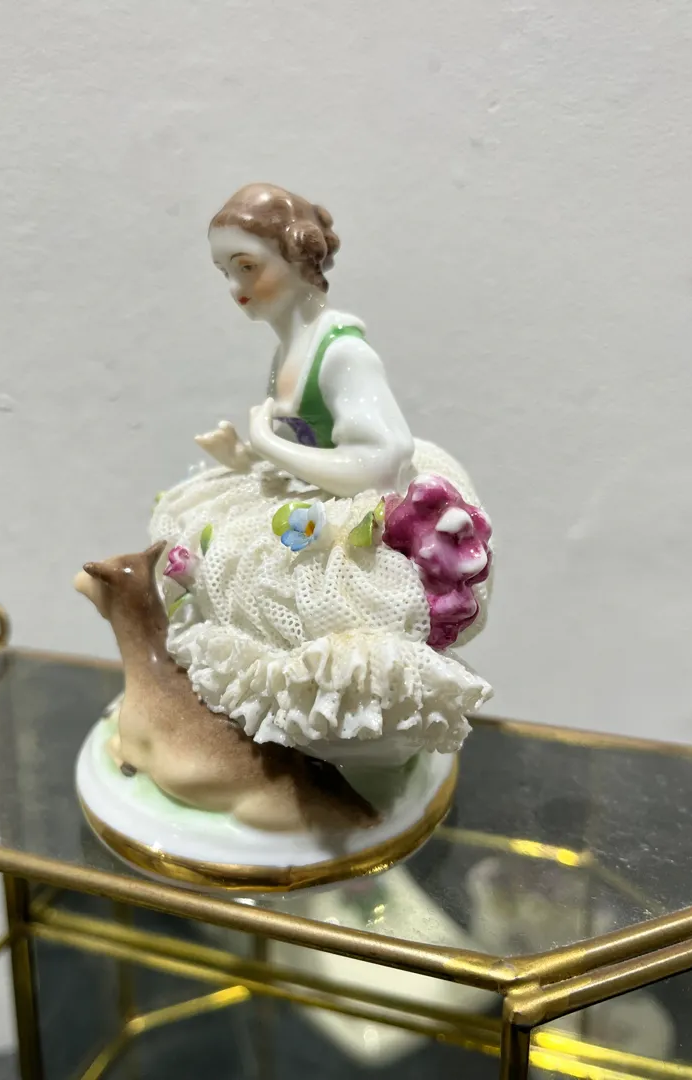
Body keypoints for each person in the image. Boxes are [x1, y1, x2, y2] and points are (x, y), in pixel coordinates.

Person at [150, 184, 493, 769]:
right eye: (224, 272)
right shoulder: (291, 347)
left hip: (352, 514)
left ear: (298, 256)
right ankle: (272, 737)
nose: (234, 288)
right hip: (305, 497)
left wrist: (269, 445)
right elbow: (314, 442)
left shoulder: (342, 353)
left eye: (247, 267)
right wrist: (247, 457)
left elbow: (382, 463)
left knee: (326, 623)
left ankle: (346, 736)